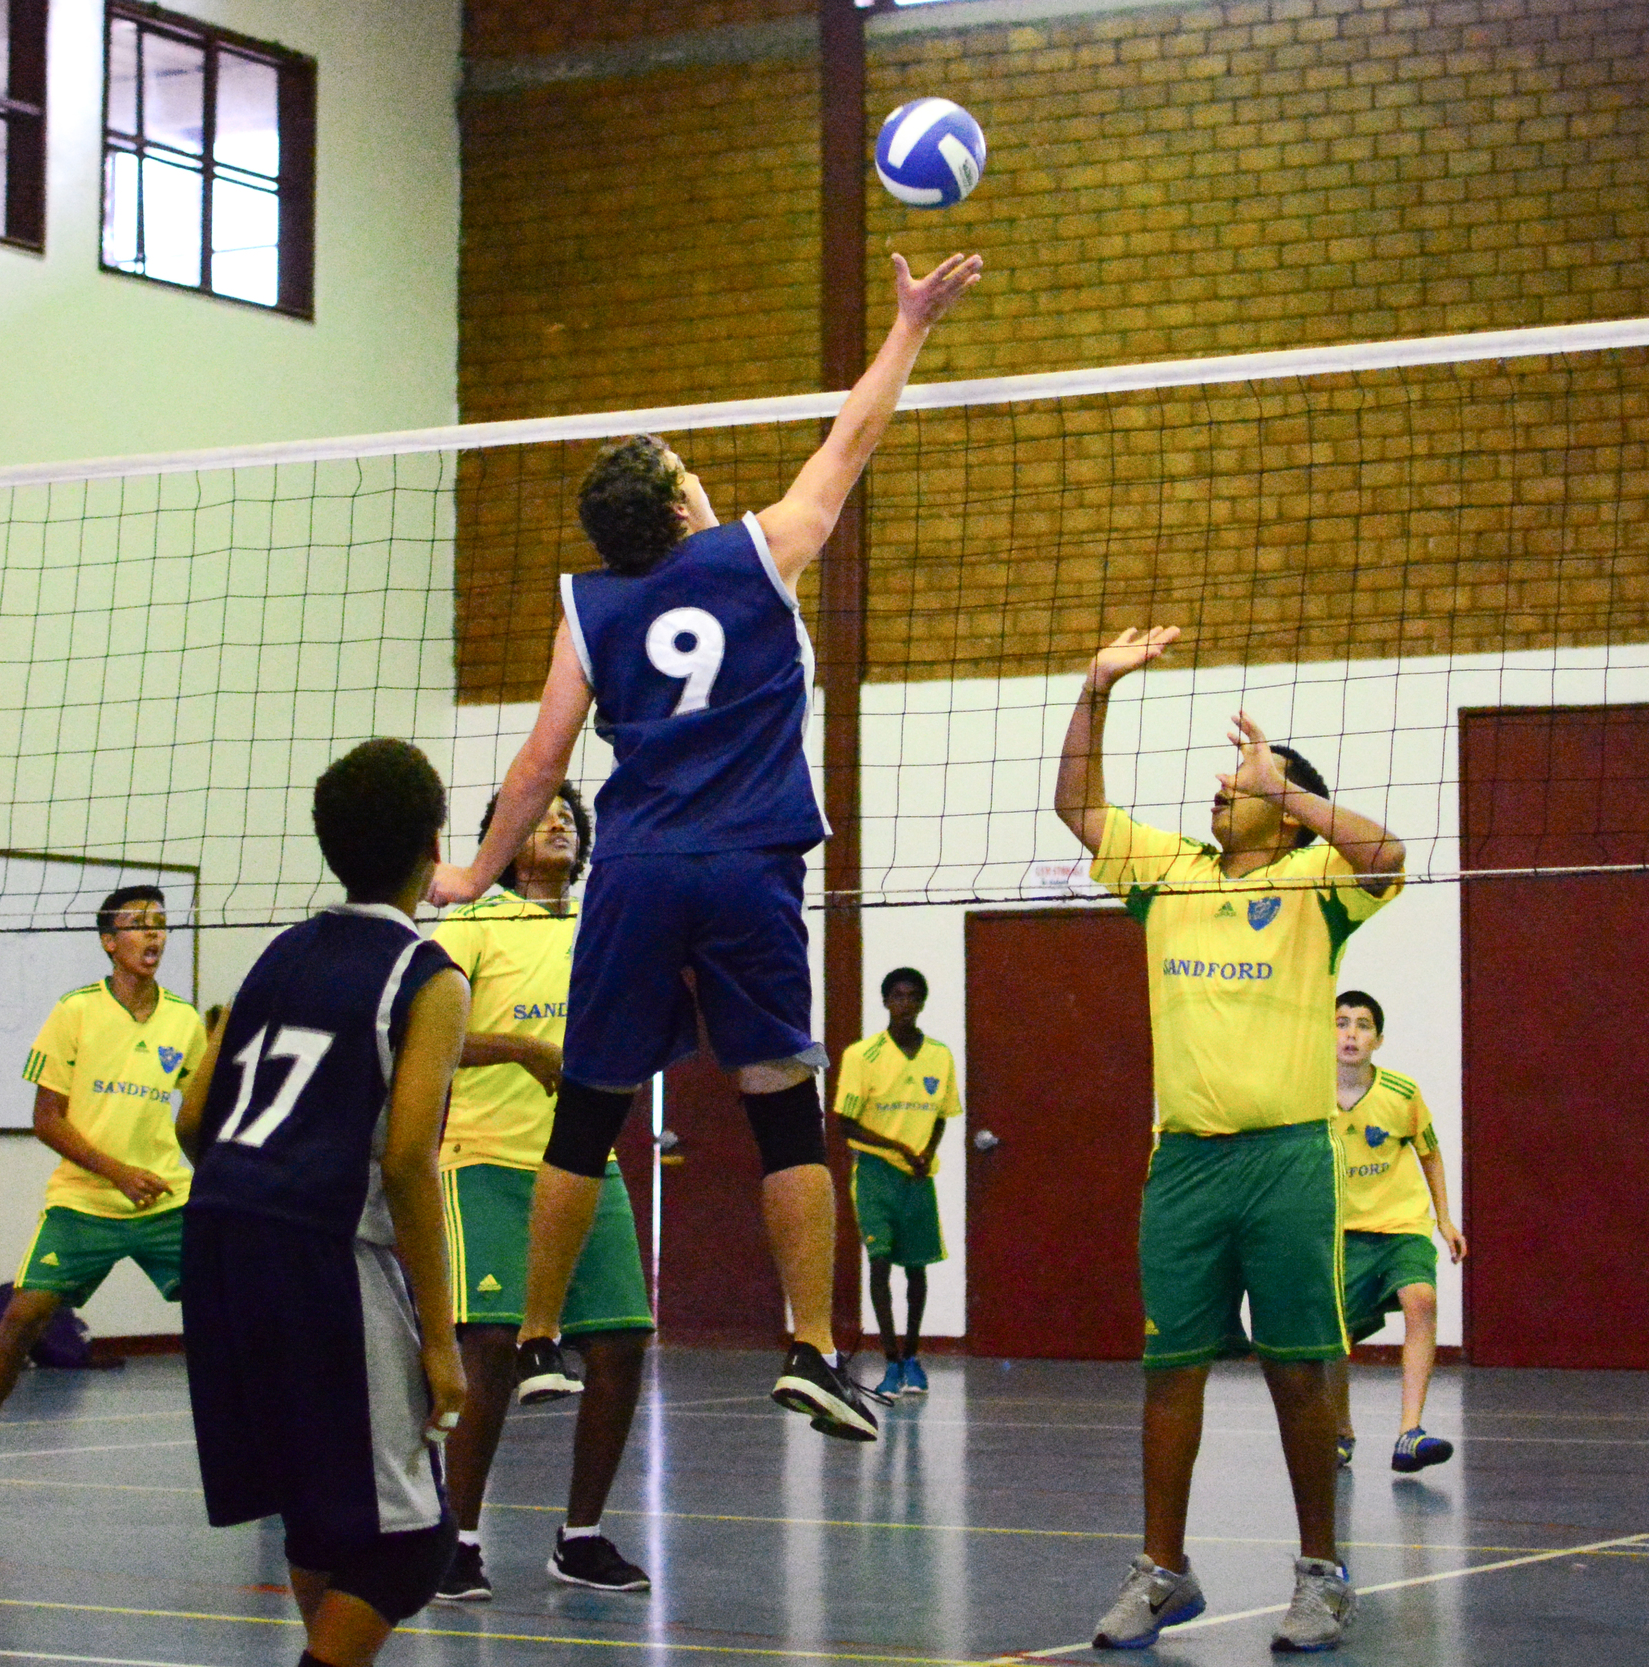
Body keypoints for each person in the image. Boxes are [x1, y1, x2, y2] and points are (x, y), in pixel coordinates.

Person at [428, 249, 984, 1444]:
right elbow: (853, 438)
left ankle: (534, 1342)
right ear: (683, 506)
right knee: (783, 1106)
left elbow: (538, 759)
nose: (703, 477)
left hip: (629, 868)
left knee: (588, 1107)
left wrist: (472, 875)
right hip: (746, 861)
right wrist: (908, 328)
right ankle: (812, 1347)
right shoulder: (758, 549)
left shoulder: (589, 605)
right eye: (691, 470)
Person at [1055, 626, 1404, 1655]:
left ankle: (1321, 1574)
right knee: (1171, 1370)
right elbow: (1077, 806)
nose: (1224, 785)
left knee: (1300, 1371)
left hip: (1288, 1160)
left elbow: (1388, 859)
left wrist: (1289, 789)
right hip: (1184, 1164)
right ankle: (1163, 1570)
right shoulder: (1167, 870)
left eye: (1244, 778)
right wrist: (1096, 689)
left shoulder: (1312, 880)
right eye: (1229, 775)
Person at [174, 738, 470, 1667]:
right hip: (320, 1252)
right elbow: (409, 1162)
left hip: (219, 1234)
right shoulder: (429, 974)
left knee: (318, 1512)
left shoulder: (277, 954)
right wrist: (440, 1337)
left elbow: (194, 1118)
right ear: (436, 841)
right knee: (413, 1546)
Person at [429, 784, 653, 1602]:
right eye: (541, 810)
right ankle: (458, 1538)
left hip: (586, 1163)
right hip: (486, 1157)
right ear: (503, 838)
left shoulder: (602, 922)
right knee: (488, 1345)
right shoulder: (474, 921)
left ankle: (581, 1536)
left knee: (622, 1343)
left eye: (569, 811)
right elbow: (433, 1032)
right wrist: (524, 1048)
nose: (557, 817)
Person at [0, 886, 209, 1516]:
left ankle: (272, 1463)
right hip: (85, 1202)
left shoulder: (185, 1022)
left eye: (160, 925)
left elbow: (198, 1118)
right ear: (110, 942)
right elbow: (46, 1119)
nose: (153, 936)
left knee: (243, 1310)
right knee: (23, 1318)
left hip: (167, 1202)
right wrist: (118, 1172)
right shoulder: (74, 1012)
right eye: (137, 926)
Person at [1328, 990, 1466, 1475]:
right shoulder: (1305, 1096)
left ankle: (1410, 1433)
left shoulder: (1402, 1094)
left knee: (1421, 1299)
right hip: (1339, 1231)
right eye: (1341, 1022)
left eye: (1362, 1025)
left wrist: (1444, 1219)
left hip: (1401, 1223)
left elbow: (1429, 1153)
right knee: (1332, 1337)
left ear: (1378, 1040)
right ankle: (1340, 1430)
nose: (1350, 1033)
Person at [833, 966, 961, 1398]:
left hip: (917, 1178)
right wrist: (901, 1149)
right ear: (885, 1001)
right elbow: (844, 1124)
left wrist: (924, 1151)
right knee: (881, 1263)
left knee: (917, 1269)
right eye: (897, 996)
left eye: (913, 997)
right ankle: (888, 1362)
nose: (905, 1005)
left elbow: (941, 1114)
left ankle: (911, 1357)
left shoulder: (939, 1056)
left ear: (923, 1002)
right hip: (875, 1174)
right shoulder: (862, 1056)